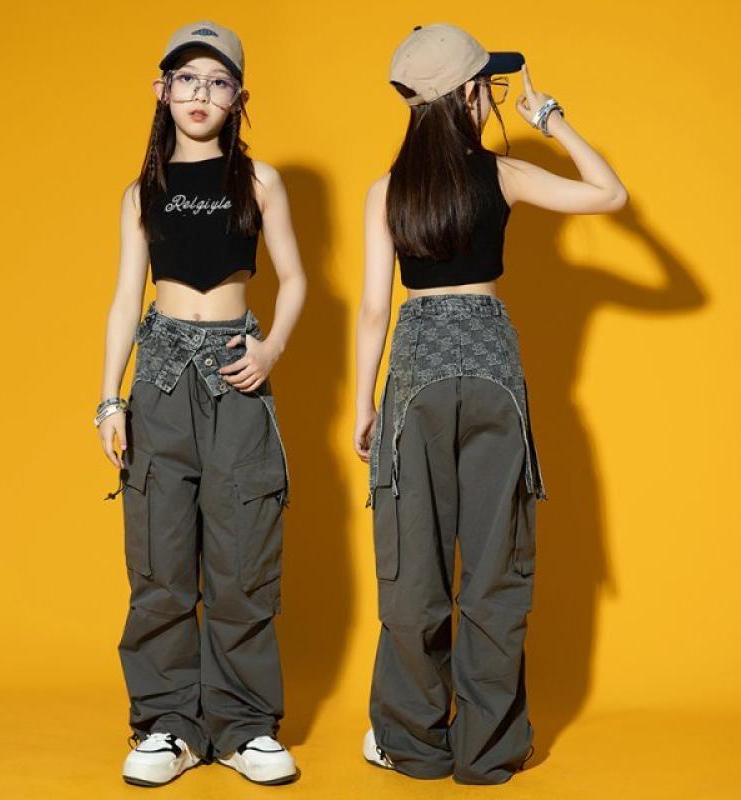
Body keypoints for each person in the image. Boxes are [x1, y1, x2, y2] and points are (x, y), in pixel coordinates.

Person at [354, 23, 627, 785]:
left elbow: (374, 309)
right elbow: (609, 194)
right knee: (495, 567)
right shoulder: (504, 174)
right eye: (491, 86)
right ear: (469, 94)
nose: (497, 98)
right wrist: (552, 119)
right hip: (493, 371)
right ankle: (488, 750)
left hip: (415, 373)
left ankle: (413, 743)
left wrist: (362, 404)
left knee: (414, 566)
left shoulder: (387, 191)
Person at [95, 20, 306, 787]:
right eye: (187, 78)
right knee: (159, 559)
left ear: (239, 98)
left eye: (217, 81)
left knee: (242, 556)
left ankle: (245, 725)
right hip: (157, 380)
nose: (200, 93)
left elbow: (297, 278)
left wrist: (271, 350)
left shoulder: (260, 181)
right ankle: (167, 725)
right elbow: (126, 298)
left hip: (235, 373)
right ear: (162, 90)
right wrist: (108, 400)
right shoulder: (140, 193)